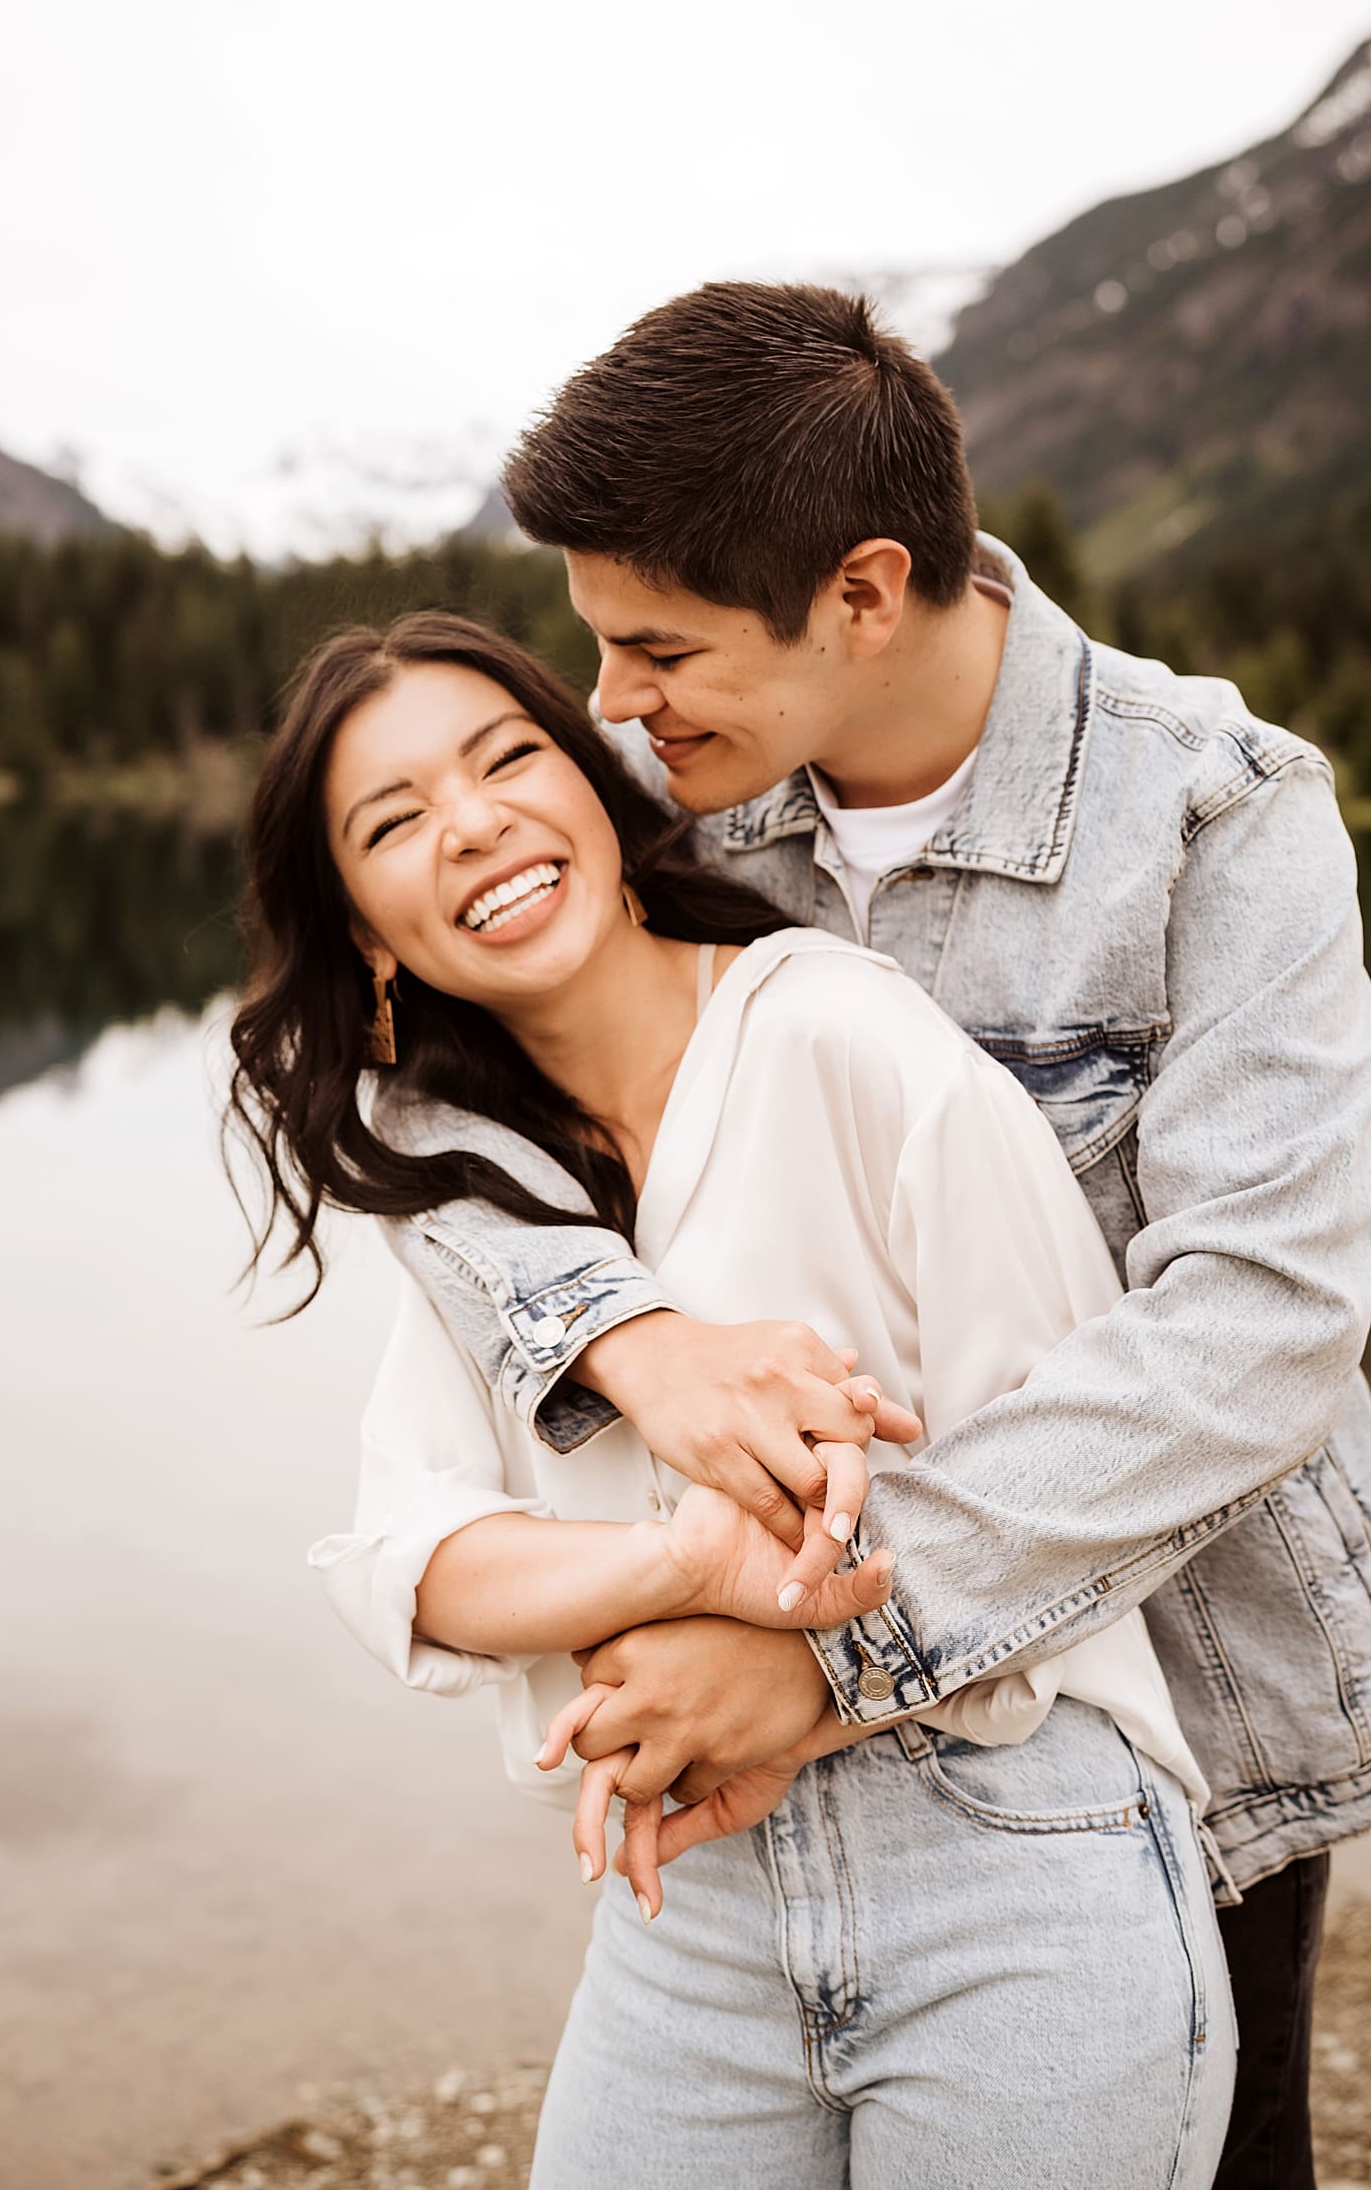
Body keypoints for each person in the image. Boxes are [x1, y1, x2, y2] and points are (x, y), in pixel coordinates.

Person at [363, 282, 1371, 2190]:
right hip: (780, 1810)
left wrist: (823, 1644)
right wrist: (621, 1338)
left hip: (1187, 1712)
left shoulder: (1220, 818)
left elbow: (1262, 1326)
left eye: (656, 650)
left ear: (860, 592)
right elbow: (412, 1091)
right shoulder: (668, 807)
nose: (612, 711)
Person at [229, 611, 1233, 2189]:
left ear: (600, 796)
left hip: (1013, 1851)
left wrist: (795, 1650)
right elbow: (407, 1567)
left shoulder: (835, 1036)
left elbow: (1083, 1481)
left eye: (506, 761)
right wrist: (679, 1573)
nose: (472, 824)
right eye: (395, 819)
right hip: (688, 1917)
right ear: (364, 929)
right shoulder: (469, 1184)